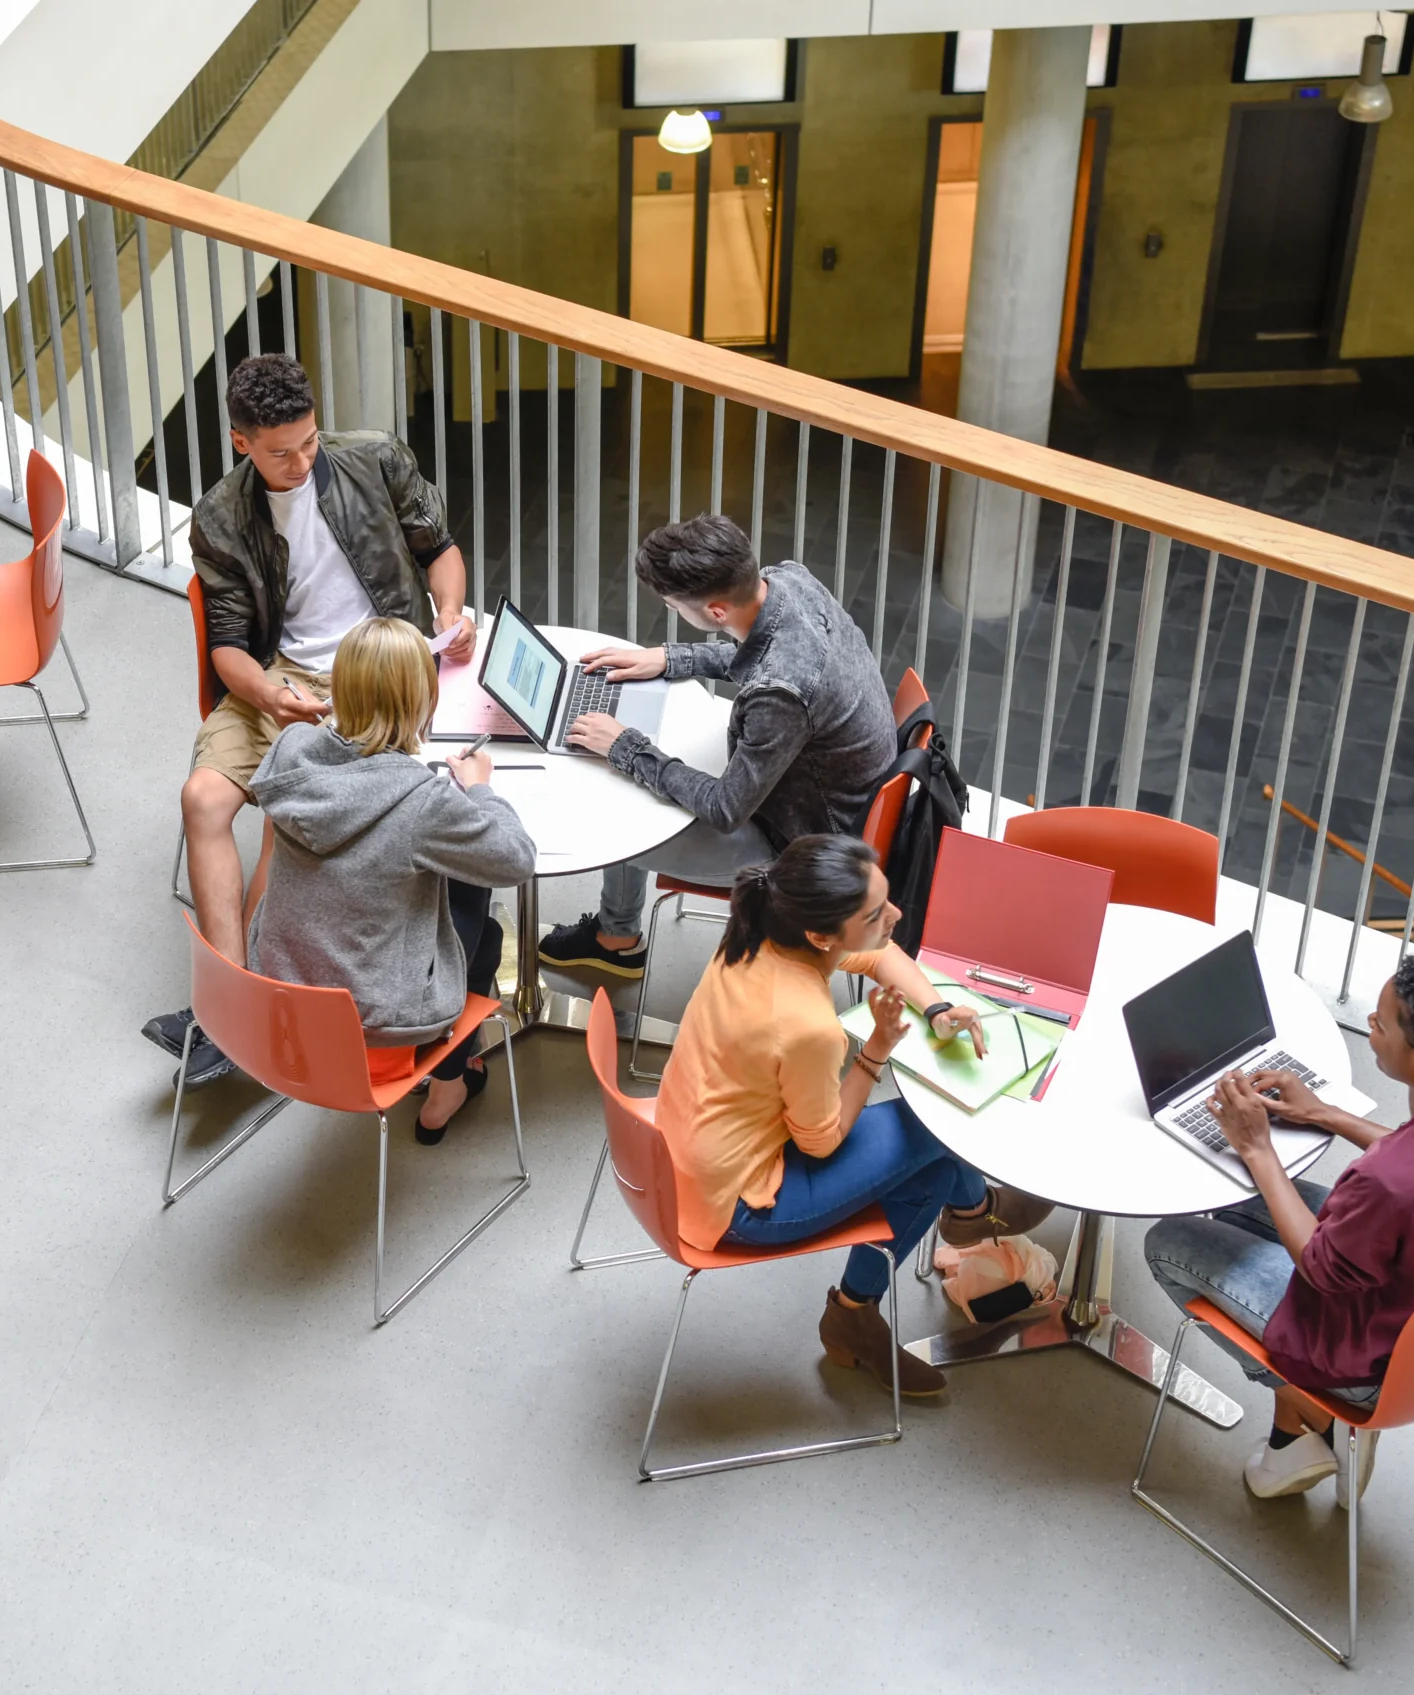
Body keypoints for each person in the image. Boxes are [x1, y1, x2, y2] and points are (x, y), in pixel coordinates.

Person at [144, 354, 474, 1087]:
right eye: (279, 452)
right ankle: (232, 1001)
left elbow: (439, 550)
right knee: (203, 799)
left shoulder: (375, 457)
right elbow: (228, 646)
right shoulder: (222, 517)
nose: (299, 462)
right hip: (278, 677)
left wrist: (448, 612)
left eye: (309, 442)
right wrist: (267, 696)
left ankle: (247, 1011)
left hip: (373, 666)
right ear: (241, 444)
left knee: (283, 817)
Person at [1141, 948, 1414, 1502]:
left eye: (1382, 1024)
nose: (1370, 1023)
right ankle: (1297, 1437)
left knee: (1167, 1239)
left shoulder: (1391, 1179)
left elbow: (1320, 1268)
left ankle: (1315, 1414)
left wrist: (1257, 1147)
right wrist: (1322, 1114)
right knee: (1231, 1201)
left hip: (1383, 1364)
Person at [659, 834, 1055, 1395]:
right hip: (736, 1205)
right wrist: (875, 1051)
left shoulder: (758, 934)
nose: (896, 915)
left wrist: (936, 1007)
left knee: (937, 1169)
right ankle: (974, 1213)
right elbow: (821, 1143)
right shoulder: (807, 1026)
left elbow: (874, 951)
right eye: (877, 913)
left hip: (681, 1151)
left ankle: (874, 1296)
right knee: (939, 1125)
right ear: (821, 935)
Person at [536, 514, 897, 980]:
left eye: (674, 605)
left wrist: (626, 746)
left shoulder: (780, 695)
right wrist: (670, 658)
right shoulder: (789, 581)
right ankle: (616, 935)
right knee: (642, 778)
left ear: (716, 612)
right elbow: (761, 649)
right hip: (832, 802)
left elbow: (726, 808)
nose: (673, 611)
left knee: (617, 823)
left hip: (800, 844)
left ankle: (616, 939)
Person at [244, 618, 534, 1138]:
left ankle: (447, 1075)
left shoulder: (291, 751)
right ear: (422, 701)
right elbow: (516, 859)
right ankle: (447, 1085)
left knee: (450, 875)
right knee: (485, 926)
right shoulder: (425, 801)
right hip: (372, 1036)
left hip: (280, 1004)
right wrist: (479, 789)